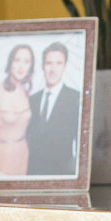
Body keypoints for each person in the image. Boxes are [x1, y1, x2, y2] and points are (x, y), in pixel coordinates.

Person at [27, 41, 82, 176]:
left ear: (65, 66)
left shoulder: (76, 98)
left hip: (63, 175)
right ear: (42, 66)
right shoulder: (32, 100)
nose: (53, 69)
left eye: (58, 63)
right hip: (31, 175)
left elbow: (80, 142)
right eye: (49, 63)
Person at [0, 42, 34, 176]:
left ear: (30, 66)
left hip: (23, 158)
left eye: (26, 61)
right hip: (0, 160)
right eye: (17, 60)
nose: (21, 66)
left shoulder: (27, 93)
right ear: (10, 63)